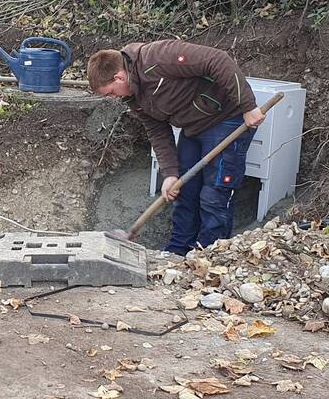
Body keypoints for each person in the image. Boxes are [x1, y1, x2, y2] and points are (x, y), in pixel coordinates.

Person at [87, 40, 266, 255]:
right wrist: (170, 173)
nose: (114, 98)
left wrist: (248, 106)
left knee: (214, 193)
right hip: (193, 127)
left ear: (119, 77)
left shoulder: (159, 57)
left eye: (111, 93)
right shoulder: (133, 97)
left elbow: (218, 60)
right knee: (183, 189)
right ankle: (178, 251)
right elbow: (157, 131)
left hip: (227, 118)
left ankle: (208, 252)